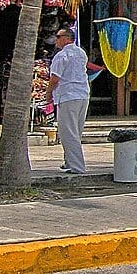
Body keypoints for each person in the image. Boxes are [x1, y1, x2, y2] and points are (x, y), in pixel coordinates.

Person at [48, 27, 90, 174]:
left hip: (68, 95)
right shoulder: (81, 53)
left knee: (68, 133)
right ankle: (69, 162)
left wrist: (48, 94)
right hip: (82, 95)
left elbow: (55, 78)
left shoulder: (62, 56)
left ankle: (77, 166)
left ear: (67, 38)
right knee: (76, 131)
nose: (56, 40)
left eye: (58, 37)